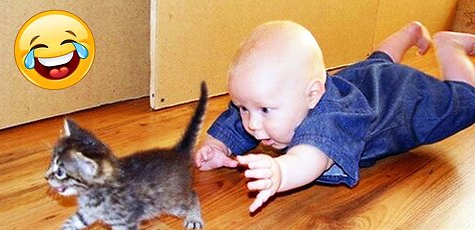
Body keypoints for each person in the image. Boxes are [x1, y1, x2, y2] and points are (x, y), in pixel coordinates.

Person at [194, 20, 475, 213]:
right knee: (376, 63)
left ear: (314, 95)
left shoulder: (328, 120)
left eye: (264, 110)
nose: (253, 124)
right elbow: (241, 116)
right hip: (362, 79)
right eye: (244, 108)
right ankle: (410, 31)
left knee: (466, 103)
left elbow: (309, 160)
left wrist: (280, 172)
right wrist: (217, 146)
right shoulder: (275, 102)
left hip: (398, 97)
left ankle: (450, 46)